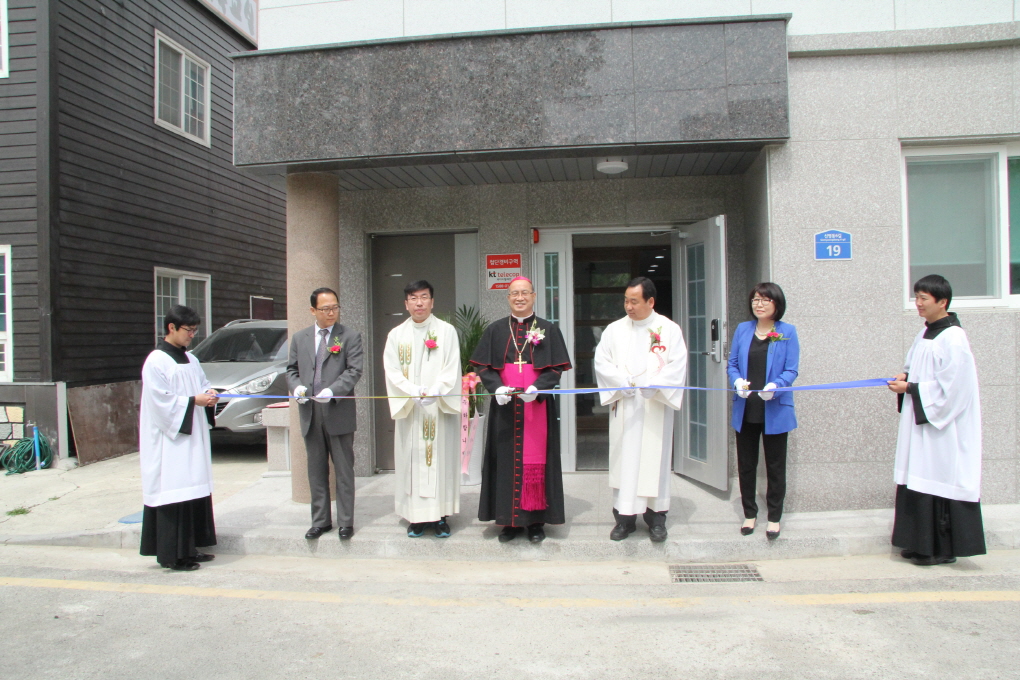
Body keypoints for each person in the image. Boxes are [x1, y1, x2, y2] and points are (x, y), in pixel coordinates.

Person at [887, 275, 984, 566]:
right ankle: (919, 544)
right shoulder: (926, 332)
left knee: (939, 479)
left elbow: (955, 388)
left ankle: (940, 548)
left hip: (944, 427)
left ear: (942, 302)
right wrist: (905, 376)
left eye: (923, 299)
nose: (917, 304)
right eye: (916, 297)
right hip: (923, 423)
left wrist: (912, 390)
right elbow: (914, 365)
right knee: (918, 477)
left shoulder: (954, 338)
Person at [470, 276, 572, 543]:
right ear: (508, 298)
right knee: (504, 460)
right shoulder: (495, 330)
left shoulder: (548, 329)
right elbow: (483, 366)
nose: (519, 297)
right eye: (514, 293)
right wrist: (496, 388)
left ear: (534, 296)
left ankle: (536, 521)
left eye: (524, 293)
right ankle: (508, 521)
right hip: (505, 405)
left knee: (538, 461)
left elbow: (556, 367)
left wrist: (539, 387)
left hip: (536, 404)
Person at [594, 277, 687, 542]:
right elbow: (602, 362)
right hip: (625, 405)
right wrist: (618, 383)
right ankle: (624, 519)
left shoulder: (668, 329)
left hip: (654, 405)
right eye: (626, 300)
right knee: (625, 460)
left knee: (653, 461)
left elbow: (677, 364)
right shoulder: (614, 329)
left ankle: (656, 519)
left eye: (634, 301)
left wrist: (656, 386)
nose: (628, 306)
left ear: (651, 301)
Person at [139, 305, 219, 571]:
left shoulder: (191, 359)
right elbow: (159, 401)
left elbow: (201, 383)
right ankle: (173, 554)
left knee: (193, 488)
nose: (192, 336)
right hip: (170, 439)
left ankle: (191, 547)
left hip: (192, 434)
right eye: (188, 330)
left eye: (195, 331)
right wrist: (193, 400)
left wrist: (208, 393)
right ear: (171, 328)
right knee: (175, 492)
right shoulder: (156, 361)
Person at [383, 280, 462, 537]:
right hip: (412, 411)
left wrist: (438, 390)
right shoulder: (396, 335)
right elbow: (392, 370)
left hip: (438, 410)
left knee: (440, 461)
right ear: (406, 304)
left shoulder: (446, 331)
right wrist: (411, 391)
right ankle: (415, 518)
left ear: (432, 301)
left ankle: (441, 516)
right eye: (413, 298)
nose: (419, 303)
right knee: (411, 460)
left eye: (424, 297)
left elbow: (452, 367)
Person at [286, 287, 364, 540]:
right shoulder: (300, 338)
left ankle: (346, 521)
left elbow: (353, 371)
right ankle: (320, 520)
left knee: (343, 469)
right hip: (310, 411)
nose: (331, 313)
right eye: (325, 309)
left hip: (337, 409)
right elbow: (290, 370)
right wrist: (296, 386)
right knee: (316, 469)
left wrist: (333, 390)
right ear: (313, 310)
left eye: (335, 308)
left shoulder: (349, 336)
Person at [726, 282, 799, 540]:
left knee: (775, 466)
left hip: (775, 408)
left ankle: (775, 517)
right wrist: (736, 382)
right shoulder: (743, 330)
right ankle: (749, 513)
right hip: (746, 408)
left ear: (777, 304)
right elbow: (732, 364)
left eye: (765, 300)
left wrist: (776, 386)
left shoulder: (786, 331)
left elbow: (791, 369)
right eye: (756, 299)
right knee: (747, 464)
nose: (759, 304)